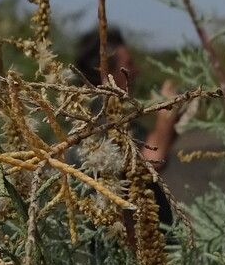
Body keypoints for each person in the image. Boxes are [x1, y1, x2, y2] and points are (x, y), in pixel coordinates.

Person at [74, 26, 179, 227]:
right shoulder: (98, 118)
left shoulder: (116, 115)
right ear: (106, 72)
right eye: (128, 64)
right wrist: (166, 117)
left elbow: (149, 147)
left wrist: (174, 123)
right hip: (125, 242)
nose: (136, 70)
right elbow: (150, 163)